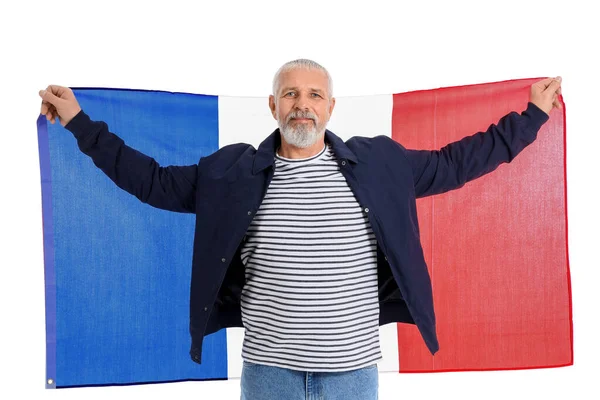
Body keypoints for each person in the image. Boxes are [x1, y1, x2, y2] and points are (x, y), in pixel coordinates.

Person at [39, 59, 562, 400]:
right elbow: (150, 180)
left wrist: (531, 118)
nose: (302, 104)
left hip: (353, 377)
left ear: (331, 107)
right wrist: (83, 125)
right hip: (270, 377)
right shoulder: (230, 172)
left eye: (314, 94)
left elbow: (458, 161)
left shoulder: (381, 164)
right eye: (290, 94)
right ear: (273, 106)